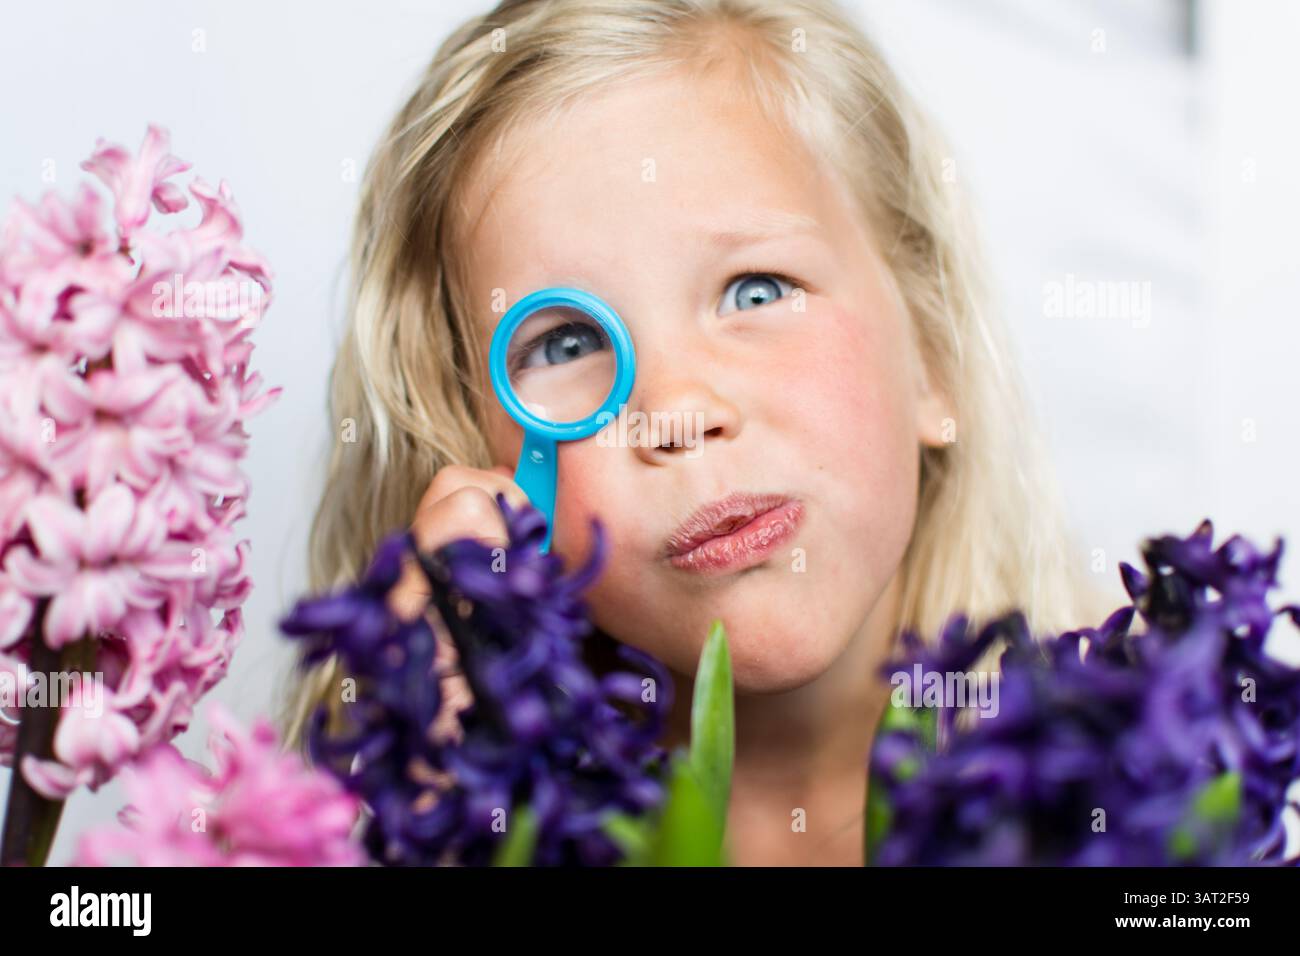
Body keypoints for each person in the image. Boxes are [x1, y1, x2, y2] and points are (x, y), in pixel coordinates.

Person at [281, 0, 1105, 866]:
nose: (677, 412)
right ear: (473, 452)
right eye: (567, 343)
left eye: (755, 291)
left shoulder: (1144, 802)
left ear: (932, 353)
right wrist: (445, 800)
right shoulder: (420, 819)